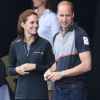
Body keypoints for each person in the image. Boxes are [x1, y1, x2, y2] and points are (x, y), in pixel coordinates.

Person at [44, 1, 91, 100]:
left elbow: (87, 65)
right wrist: (50, 70)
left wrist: (61, 74)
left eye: (67, 15)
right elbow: (59, 62)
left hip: (75, 91)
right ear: (56, 15)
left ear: (73, 15)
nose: (64, 19)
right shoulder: (56, 36)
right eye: (61, 15)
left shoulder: (80, 34)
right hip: (58, 91)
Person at [7, 9, 55, 100]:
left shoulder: (45, 44)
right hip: (21, 94)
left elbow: (52, 68)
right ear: (23, 25)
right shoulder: (15, 44)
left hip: (40, 94)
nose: (36, 25)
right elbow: (9, 70)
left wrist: (35, 67)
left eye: (37, 22)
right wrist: (17, 69)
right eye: (32, 22)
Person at [31, 0, 60, 100]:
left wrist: (55, 64)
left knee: (48, 93)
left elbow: (58, 39)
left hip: (47, 62)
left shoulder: (52, 17)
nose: (33, 0)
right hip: (31, 61)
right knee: (33, 91)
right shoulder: (31, 14)